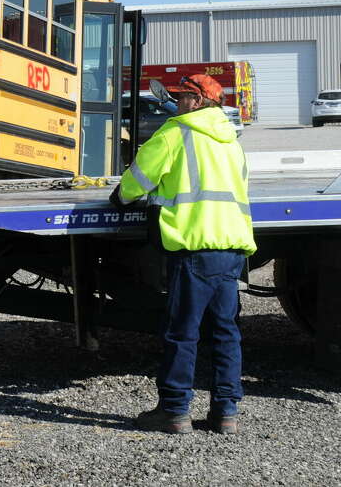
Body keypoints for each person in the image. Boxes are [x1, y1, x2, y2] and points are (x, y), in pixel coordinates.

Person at [110, 73, 256, 435]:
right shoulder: (231, 141)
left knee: (183, 333)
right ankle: (226, 414)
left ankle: (174, 411)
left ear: (198, 101)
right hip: (232, 246)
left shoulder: (176, 133)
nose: (177, 101)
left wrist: (121, 196)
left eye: (183, 96)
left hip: (194, 246)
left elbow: (138, 179)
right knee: (226, 333)